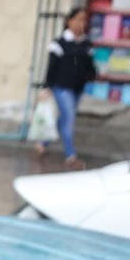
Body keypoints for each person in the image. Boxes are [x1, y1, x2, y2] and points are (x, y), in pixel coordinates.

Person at [38, 14, 96, 158]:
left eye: (84, 20)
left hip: (78, 88)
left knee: (64, 117)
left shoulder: (86, 44)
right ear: (69, 21)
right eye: (78, 19)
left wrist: (93, 76)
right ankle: (70, 155)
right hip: (61, 87)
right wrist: (47, 86)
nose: (81, 23)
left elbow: (90, 66)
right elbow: (52, 67)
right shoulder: (59, 43)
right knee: (69, 118)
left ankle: (43, 142)